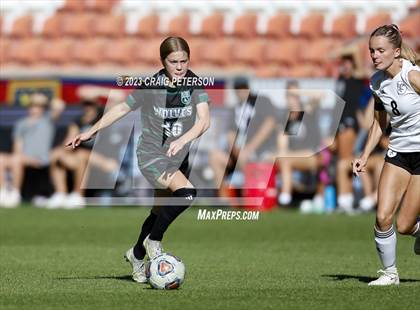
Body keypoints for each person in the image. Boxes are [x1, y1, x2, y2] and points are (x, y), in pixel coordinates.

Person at [66, 37, 210, 283]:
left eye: (183, 61)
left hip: (178, 154)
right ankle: (154, 242)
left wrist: (183, 140)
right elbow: (122, 108)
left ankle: (136, 254)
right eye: (173, 61)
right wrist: (91, 131)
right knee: (187, 193)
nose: (179, 67)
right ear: (162, 61)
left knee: (158, 211)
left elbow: (204, 121)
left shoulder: (194, 83)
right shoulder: (150, 86)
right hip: (152, 155)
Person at [352, 24, 420, 286]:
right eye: (371, 51)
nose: (375, 56)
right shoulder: (377, 82)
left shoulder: (412, 76)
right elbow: (380, 123)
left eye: (380, 50)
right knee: (382, 217)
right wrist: (365, 155)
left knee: (404, 226)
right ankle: (390, 274)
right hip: (398, 152)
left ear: (396, 51)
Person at [209, 77, 276, 198]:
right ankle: (224, 200)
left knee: (248, 157)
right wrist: (237, 151)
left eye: (243, 88)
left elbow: (269, 124)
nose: (241, 91)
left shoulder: (262, 101)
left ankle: (250, 197)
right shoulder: (234, 110)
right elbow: (230, 135)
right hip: (240, 154)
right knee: (215, 156)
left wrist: (249, 149)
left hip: (262, 151)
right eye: (238, 89)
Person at [48, 99, 117, 209]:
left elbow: (120, 100)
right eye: (85, 104)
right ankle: (61, 194)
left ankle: (78, 195)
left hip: (105, 158)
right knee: (58, 156)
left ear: (96, 104)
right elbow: (69, 143)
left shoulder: (103, 116)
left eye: (90, 103)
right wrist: (60, 152)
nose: (87, 107)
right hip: (81, 158)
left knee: (81, 155)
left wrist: (98, 91)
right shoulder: (78, 121)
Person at [0, 94, 64, 208]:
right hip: (24, 158)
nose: (34, 108)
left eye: (38, 106)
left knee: (17, 159)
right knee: (3, 158)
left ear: (43, 108)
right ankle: (5, 193)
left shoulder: (47, 119)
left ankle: (14, 194)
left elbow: (59, 105)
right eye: (32, 105)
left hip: (43, 158)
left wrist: (45, 99)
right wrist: (22, 157)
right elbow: (17, 146)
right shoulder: (21, 124)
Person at [276, 80, 323, 206]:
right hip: (294, 157)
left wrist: (298, 92)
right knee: (281, 158)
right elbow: (282, 146)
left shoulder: (307, 110)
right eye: (290, 95)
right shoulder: (286, 118)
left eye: (296, 95)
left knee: (285, 159)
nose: (294, 98)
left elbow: (319, 95)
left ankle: (285, 198)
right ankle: (284, 197)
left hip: (313, 154)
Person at [335, 55, 366, 213]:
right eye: (343, 63)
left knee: (346, 162)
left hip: (350, 125)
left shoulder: (357, 80)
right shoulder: (340, 80)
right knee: (343, 162)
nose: (344, 67)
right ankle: (346, 199)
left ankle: (349, 199)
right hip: (340, 125)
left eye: (348, 63)